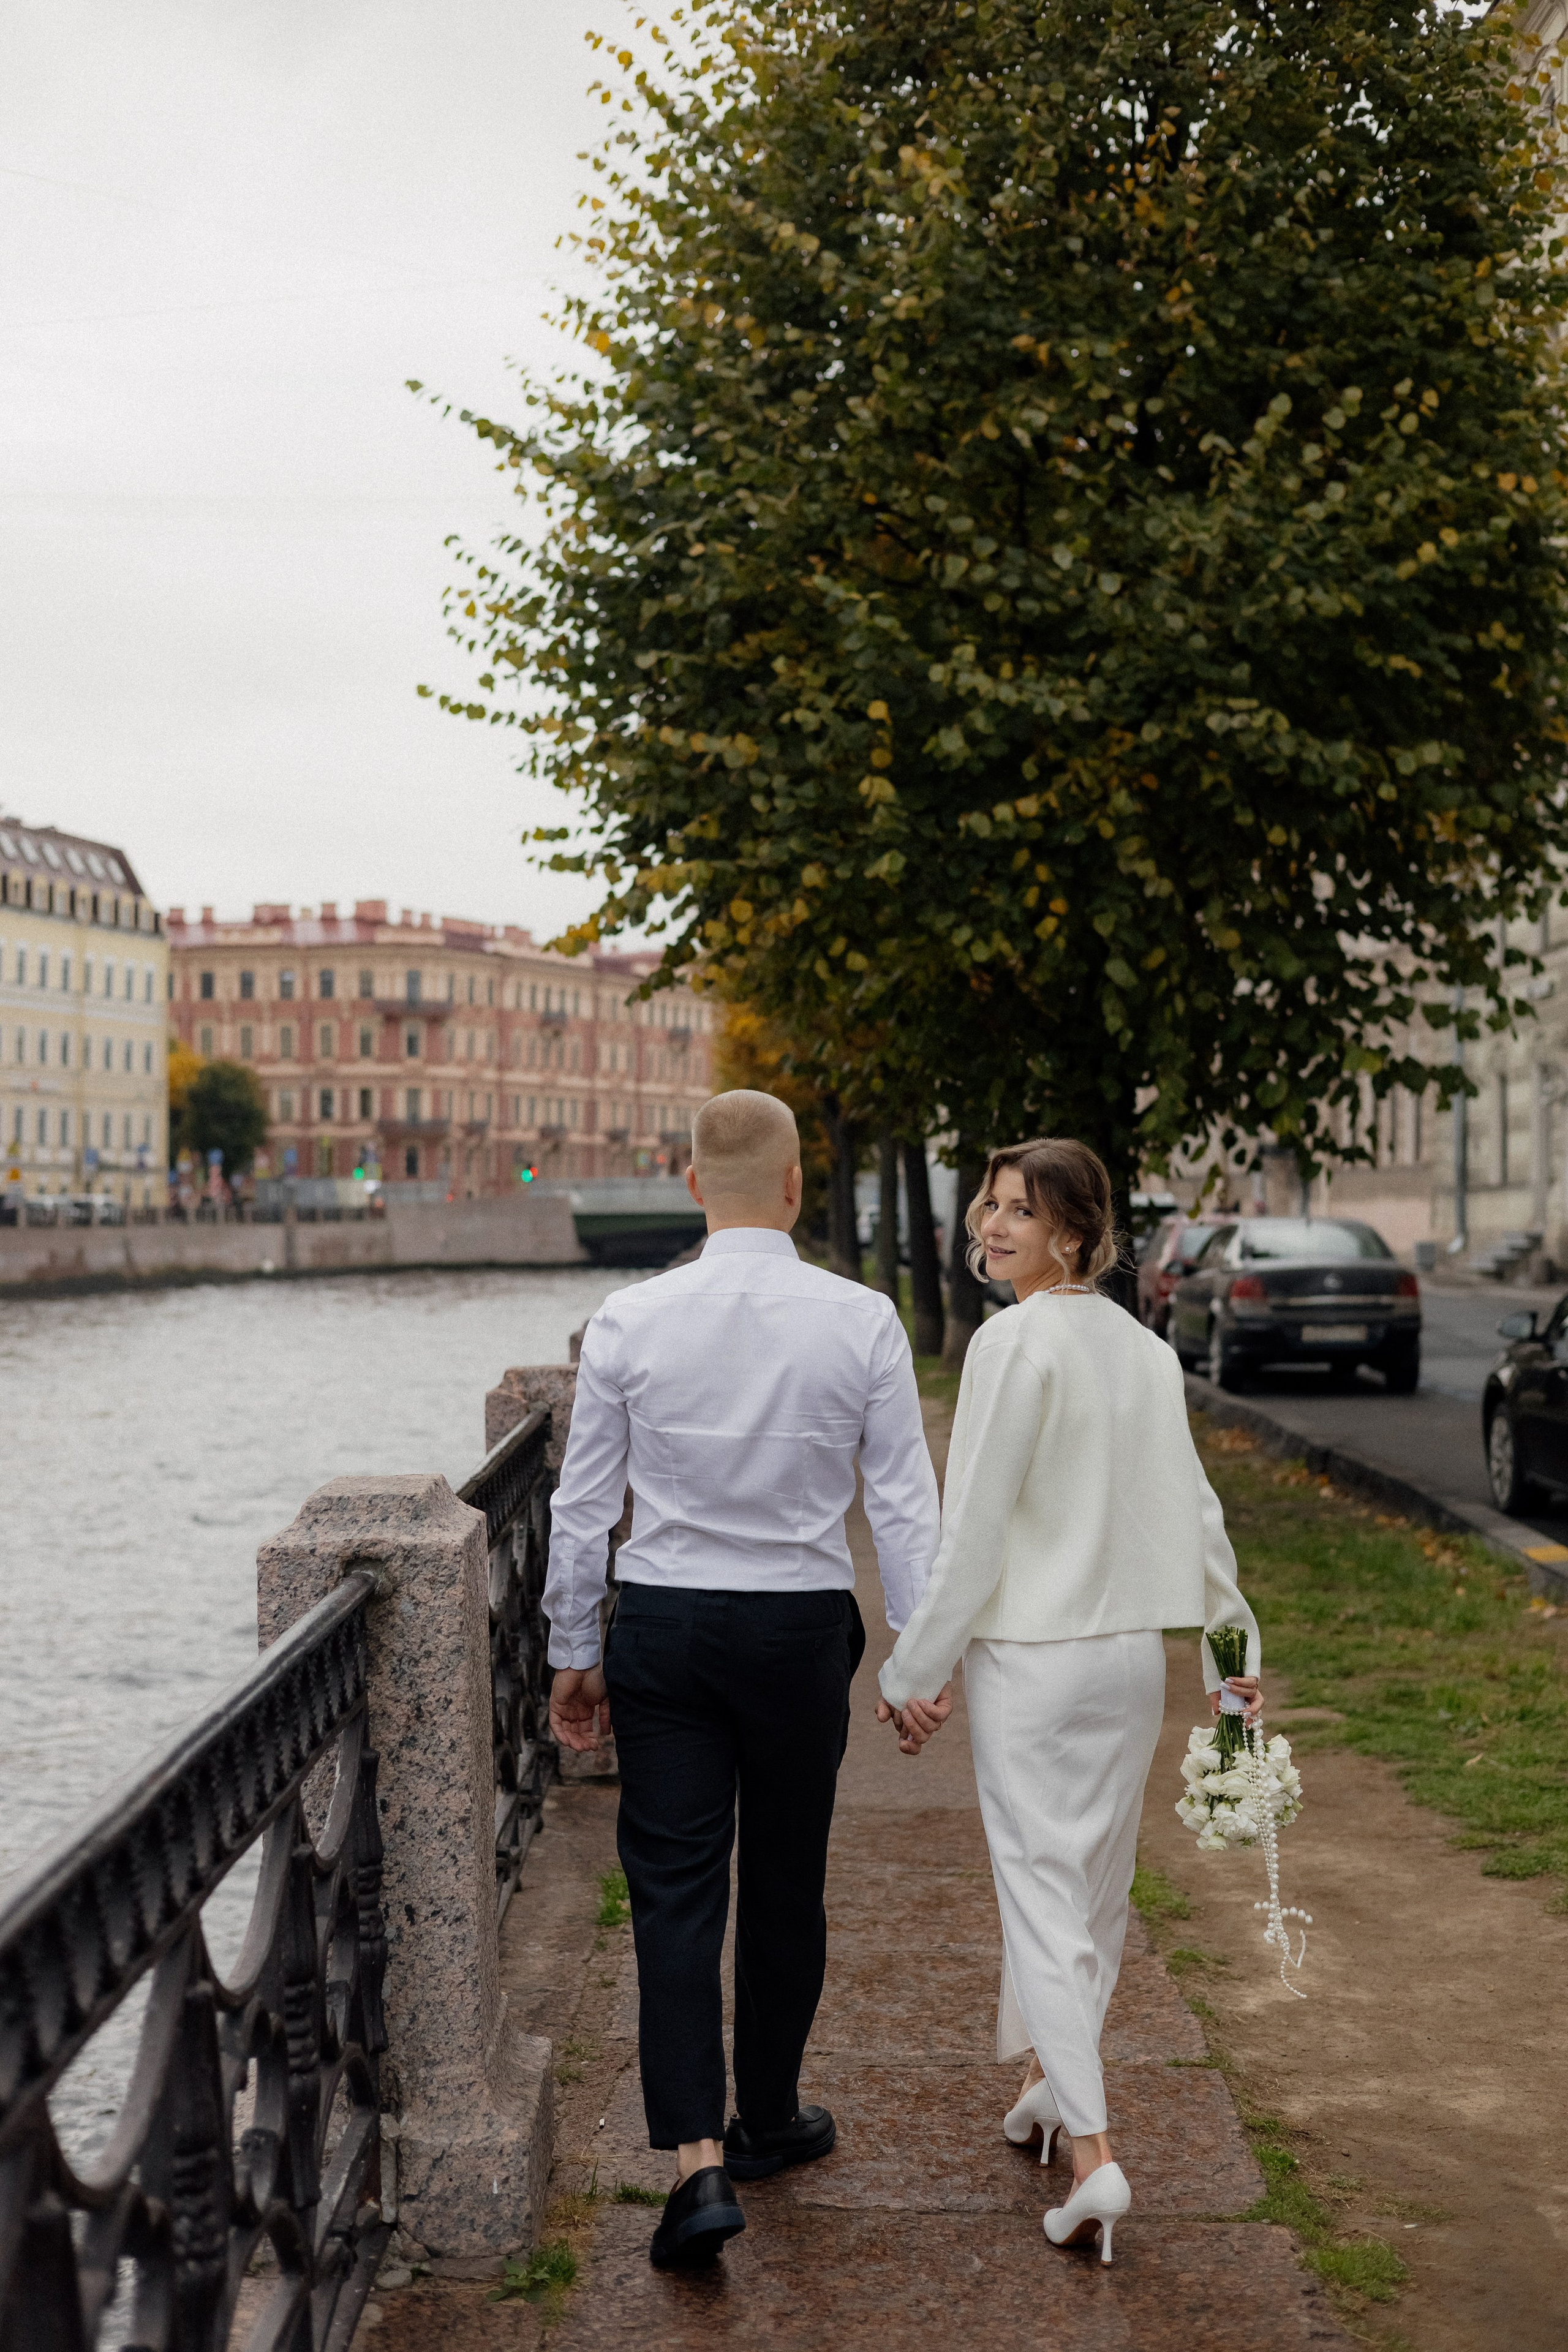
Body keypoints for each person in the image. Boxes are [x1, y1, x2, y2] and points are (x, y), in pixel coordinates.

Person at [542, 1088, 940, 2270]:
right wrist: (915, 1656)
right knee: (784, 1877)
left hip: (664, 1626)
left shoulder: (628, 1318)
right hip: (797, 1632)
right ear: (798, 1186)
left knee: (672, 1892)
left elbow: (582, 1505)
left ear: (689, 1185)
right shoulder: (863, 1320)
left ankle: (695, 2168)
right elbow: (906, 1505)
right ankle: (766, 2116)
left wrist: (574, 1649)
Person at [876, 1137, 1261, 2266]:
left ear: (1077, 1238)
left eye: (1018, 1215)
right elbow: (1201, 1519)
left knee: (1045, 1895)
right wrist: (1230, 1664)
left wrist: (912, 1672)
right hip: (1130, 1663)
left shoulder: (1011, 1341)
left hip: (1036, 1664)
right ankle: (1047, 2085)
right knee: (1094, 1889)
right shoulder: (1145, 1354)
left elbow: (976, 1530)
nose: (990, 1229)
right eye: (987, 1209)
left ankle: (1093, 2159)